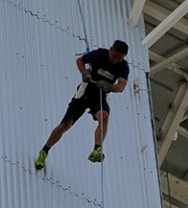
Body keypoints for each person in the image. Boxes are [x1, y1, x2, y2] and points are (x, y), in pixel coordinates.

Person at [35, 41, 130, 170]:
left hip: (99, 94)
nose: (116, 60)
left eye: (120, 58)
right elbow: (80, 60)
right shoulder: (99, 54)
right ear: (110, 49)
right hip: (86, 89)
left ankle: (97, 149)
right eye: (114, 56)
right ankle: (44, 151)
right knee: (65, 125)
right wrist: (84, 72)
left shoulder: (123, 67)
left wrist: (110, 86)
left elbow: (121, 86)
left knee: (104, 117)